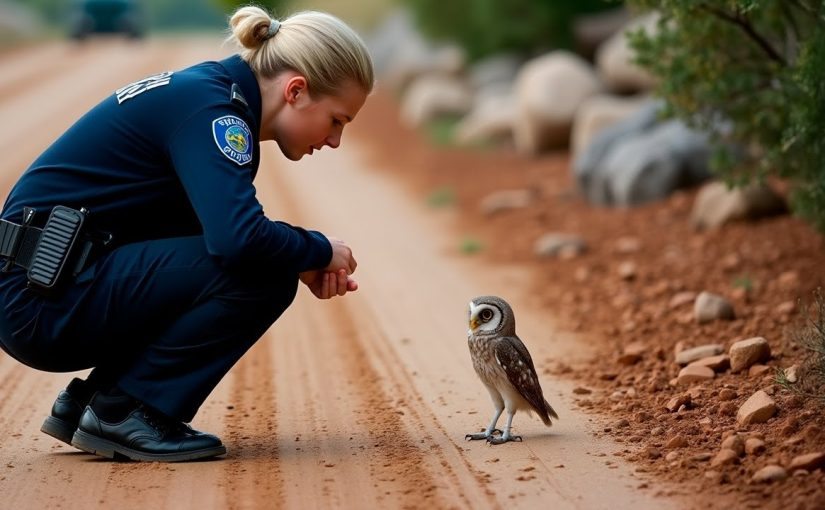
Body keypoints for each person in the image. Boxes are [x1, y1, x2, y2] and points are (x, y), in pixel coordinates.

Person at [0, 6, 374, 462]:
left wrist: (297, 258)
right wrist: (315, 249)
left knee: (259, 263)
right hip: (40, 301)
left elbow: (204, 235)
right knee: (262, 277)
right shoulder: (216, 112)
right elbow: (237, 242)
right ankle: (125, 410)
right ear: (296, 90)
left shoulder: (209, 94)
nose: (335, 140)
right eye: (337, 120)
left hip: (41, 288)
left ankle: (93, 400)